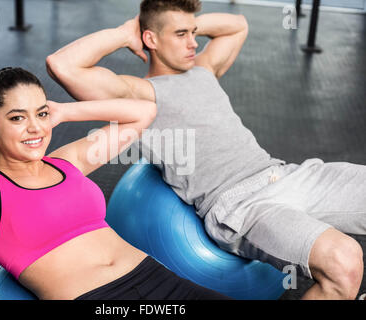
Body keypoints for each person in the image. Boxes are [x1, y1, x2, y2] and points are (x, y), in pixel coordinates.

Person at [45, 0, 365, 299]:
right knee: (344, 261)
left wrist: (183, 21)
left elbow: (237, 25)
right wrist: (124, 33)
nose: (193, 42)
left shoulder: (204, 69)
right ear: (151, 39)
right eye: (181, 35)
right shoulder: (138, 95)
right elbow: (62, 65)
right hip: (242, 206)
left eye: (194, 33)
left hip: (285, 174)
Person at [0, 67, 231, 300]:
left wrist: (65, 111)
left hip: (157, 279)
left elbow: (143, 112)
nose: (35, 128)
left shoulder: (68, 162)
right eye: (17, 118)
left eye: (40, 113)